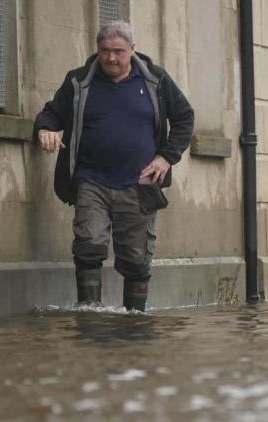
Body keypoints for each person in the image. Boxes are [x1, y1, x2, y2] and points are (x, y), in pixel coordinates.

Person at [34, 21, 194, 311]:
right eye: (105, 51)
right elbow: (51, 113)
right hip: (91, 180)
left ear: (132, 50)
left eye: (118, 51)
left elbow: (184, 117)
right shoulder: (78, 81)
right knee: (89, 245)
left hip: (140, 182)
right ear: (97, 49)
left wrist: (166, 157)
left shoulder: (155, 81)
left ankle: (134, 319)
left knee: (136, 259)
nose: (111, 58)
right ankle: (89, 312)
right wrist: (45, 129)